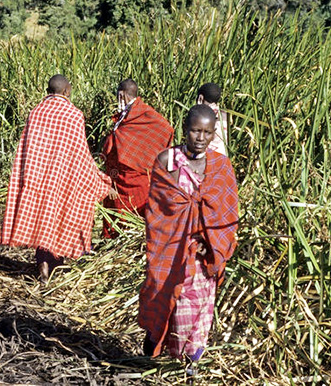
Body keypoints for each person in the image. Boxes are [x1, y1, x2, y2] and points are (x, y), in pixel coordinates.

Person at [138, 104, 239, 378]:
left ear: (214, 133)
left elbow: (227, 213)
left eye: (207, 132)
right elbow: (158, 212)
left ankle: (190, 362)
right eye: (195, 130)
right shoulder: (166, 161)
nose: (201, 137)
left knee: (196, 308)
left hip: (204, 257)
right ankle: (153, 345)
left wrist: (212, 242)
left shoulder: (220, 167)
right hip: (170, 249)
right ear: (185, 130)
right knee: (163, 295)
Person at [0, 74, 115, 282]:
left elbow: (26, 148)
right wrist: (100, 180)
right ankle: (54, 265)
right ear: (66, 91)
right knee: (58, 218)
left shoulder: (36, 113)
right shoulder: (73, 115)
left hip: (36, 178)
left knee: (41, 219)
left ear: (47, 90)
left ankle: (42, 267)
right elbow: (80, 154)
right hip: (62, 179)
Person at [101, 79, 174, 237]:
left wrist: (149, 157)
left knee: (130, 214)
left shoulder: (142, 112)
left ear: (121, 95)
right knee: (118, 211)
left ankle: (125, 242)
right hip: (120, 176)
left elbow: (166, 130)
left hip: (135, 176)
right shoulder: (129, 114)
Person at [196, 83, 229, 156]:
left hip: (206, 157)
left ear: (200, 99)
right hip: (223, 157)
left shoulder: (201, 115)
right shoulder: (225, 114)